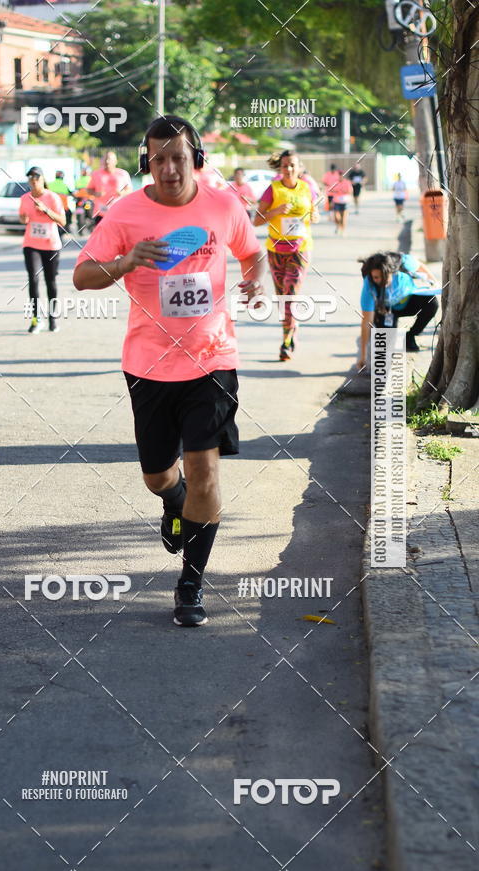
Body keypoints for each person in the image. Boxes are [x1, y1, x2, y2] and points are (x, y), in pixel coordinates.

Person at [73, 115, 264, 627]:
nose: (170, 168)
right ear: (147, 164)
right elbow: (81, 275)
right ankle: (174, 502)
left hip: (213, 359)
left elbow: (253, 252)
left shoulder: (224, 205)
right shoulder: (126, 213)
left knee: (205, 469)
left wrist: (257, 282)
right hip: (149, 365)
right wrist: (127, 260)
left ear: (195, 158)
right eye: (159, 159)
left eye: (179, 157)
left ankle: (190, 586)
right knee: (159, 475)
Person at [254, 150, 317, 361]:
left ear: (299, 168)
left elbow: (315, 214)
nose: (289, 169)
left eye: (292, 165)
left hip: (300, 250)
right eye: (285, 166)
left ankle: (286, 342)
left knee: (290, 296)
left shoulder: (307, 188)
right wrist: (276, 210)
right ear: (280, 169)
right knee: (283, 299)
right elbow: (257, 220)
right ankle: (291, 329)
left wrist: (314, 215)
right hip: (276, 249)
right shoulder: (272, 190)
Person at [356, 251, 439, 367]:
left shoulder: (404, 262)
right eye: (375, 277)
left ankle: (410, 337)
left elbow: (420, 266)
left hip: (408, 303)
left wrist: (434, 282)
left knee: (432, 302)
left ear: (392, 272)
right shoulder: (369, 285)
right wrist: (363, 356)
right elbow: (366, 321)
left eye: (383, 277)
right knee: (386, 350)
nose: (379, 281)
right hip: (385, 311)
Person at [19, 166, 66, 334]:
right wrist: (24, 218)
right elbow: (22, 217)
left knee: (50, 282)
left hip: (51, 245)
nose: (33, 180)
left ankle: (53, 318)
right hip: (31, 244)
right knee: (33, 279)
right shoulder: (25, 198)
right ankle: (36, 319)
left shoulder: (52, 197)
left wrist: (46, 210)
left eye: (36, 177)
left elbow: (63, 221)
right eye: (30, 177)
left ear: (42, 179)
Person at [86, 151, 132, 227]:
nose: (107, 162)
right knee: (101, 237)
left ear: (115, 161)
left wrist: (122, 193)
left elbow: (129, 190)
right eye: (105, 159)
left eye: (109, 159)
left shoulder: (123, 174)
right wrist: (96, 193)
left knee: (117, 236)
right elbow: (88, 190)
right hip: (101, 212)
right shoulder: (96, 174)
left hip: (118, 212)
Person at [49, 169, 73, 234]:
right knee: (69, 213)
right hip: (63, 208)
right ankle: (67, 228)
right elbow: (71, 193)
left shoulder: (50, 184)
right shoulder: (64, 185)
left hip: (51, 208)